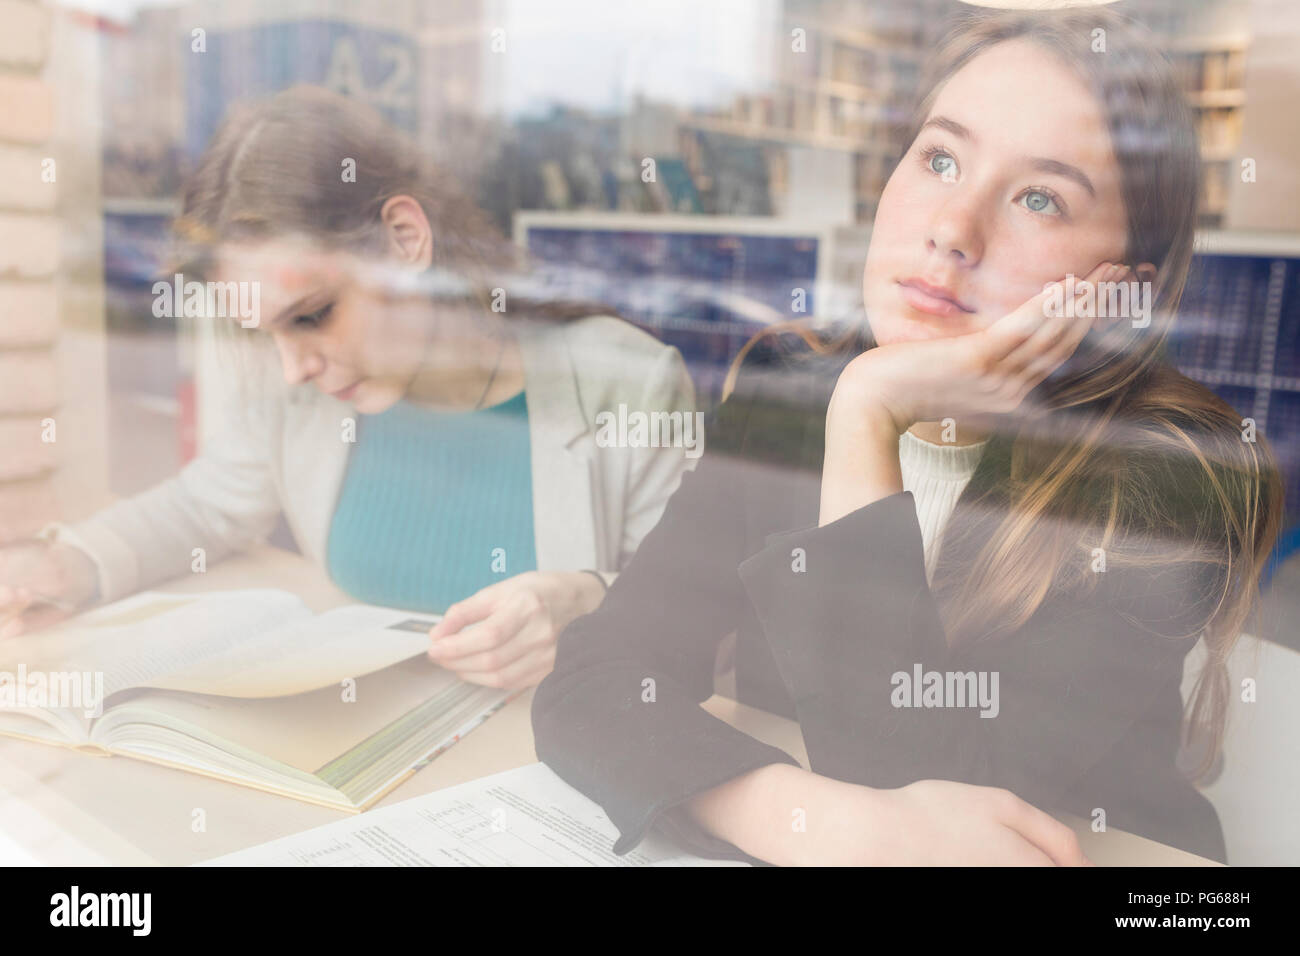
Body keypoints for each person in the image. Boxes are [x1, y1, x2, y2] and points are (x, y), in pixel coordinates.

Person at [532, 8, 1284, 865]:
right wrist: (803, 816)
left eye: (1040, 197)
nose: (952, 230)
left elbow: (925, 805)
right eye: (940, 158)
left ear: (1124, 294)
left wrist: (869, 415)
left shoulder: (1174, 473)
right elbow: (593, 680)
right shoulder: (790, 401)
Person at [0, 86, 699, 692]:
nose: (292, 367)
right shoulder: (301, 389)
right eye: (264, 334)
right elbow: (204, 508)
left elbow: (698, 630)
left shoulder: (627, 383)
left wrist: (587, 603)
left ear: (403, 238)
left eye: (313, 315)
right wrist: (68, 566)